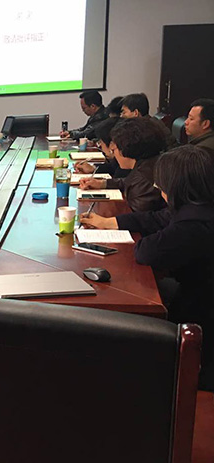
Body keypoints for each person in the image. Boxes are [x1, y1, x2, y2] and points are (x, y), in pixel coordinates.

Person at [80, 146, 214, 388]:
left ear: (175, 186)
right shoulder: (197, 206)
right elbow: (156, 219)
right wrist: (110, 222)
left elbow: (147, 252)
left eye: (161, 183)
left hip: (200, 314)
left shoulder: (194, 222)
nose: (158, 188)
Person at [80, 117, 166, 212]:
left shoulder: (143, 180)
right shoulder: (149, 165)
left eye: (114, 148)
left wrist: (109, 220)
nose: (113, 152)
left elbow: (139, 217)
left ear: (126, 149)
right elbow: (128, 181)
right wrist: (102, 183)